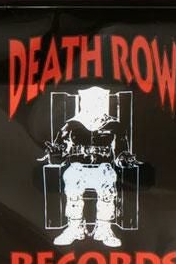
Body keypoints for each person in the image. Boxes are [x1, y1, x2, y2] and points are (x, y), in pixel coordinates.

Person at [45, 87, 137, 247]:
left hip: (103, 169)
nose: (94, 105)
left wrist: (125, 159)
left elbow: (121, 152)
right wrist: (55, 153)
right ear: (83, 102)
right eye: (90, 102)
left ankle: (104, 228)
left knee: (107, 184)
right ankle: (75, 227)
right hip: (78, 168)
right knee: (73, 182)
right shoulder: (70, 126)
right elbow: (59, 154)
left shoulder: (115, 126)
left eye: (98, 101)